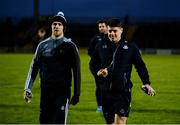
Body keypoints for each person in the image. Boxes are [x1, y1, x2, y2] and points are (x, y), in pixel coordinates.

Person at [23, 11, 81, 124]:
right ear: (51, 26)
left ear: (64, 27)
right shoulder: (42, 45)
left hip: (62, 93)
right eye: (54, 24)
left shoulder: (70, 46)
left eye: (59, 24)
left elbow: (77, 71)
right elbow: (34, 68)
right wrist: (27, 88)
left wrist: (77, 93)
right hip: (45, 92)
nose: (56, 26)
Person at [97, 18, 155, 124]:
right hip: (105, 92)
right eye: (110, 31)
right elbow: (95, 63)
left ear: (121, 30)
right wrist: (99, 72)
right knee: (110, 123)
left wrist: (146, 83)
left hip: (123, 92)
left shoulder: (130, 48)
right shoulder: (102, 46)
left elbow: (140, 66)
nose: (112, 33)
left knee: (119, 122)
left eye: (115, 31)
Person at [88, 19, 108, 112]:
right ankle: (100, 106)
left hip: (107, 67)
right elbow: (89, 52)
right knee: (99, 85)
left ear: (107, 27)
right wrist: (97, 57)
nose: (101, 28)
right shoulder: (96, 39)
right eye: (100, 26)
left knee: (109, 85)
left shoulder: (111, 37)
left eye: (103, 26)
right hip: (96, 67)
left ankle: (108, 104)